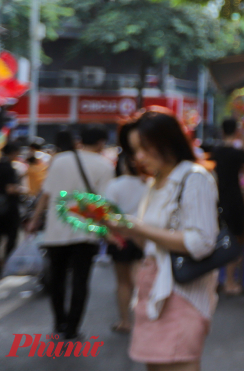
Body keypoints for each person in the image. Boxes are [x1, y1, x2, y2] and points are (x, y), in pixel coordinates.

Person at [107, 109, 219, 371]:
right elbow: (151, 245)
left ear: (168, 142)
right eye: (134, 151)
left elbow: (201, 243)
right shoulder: (155, 183)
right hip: (153, 292)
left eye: (145, 148)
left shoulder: (194, 178)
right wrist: (125, 230)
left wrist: (139, 229)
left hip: (181, 294)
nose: (139, 158)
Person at [27, 126, 114, 339]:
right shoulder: (104, 166)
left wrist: (35, 219)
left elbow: (46, 194)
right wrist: (108, 230)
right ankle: (73, 328)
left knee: (57, 280)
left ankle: (59, 324)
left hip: (56, 231)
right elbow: (103, 204)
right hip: (86, 232)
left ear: (80, 140)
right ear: (101, 143)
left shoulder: (60, 160)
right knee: (80, 281)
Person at [103, 122, 148, 334]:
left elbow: (105, 214)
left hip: (119, 237)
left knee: (122, 283)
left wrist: (109, 234)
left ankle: (125, 321)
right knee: (140, 279)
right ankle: (142, 319)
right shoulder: (148, 185)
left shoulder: (115, 185)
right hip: (143, 235)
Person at [206, 118, 244, 295]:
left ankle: (218, 280)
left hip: (218, 198)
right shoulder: (239, 153)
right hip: (235, 197)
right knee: (237, 238)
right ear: (236, 131)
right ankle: (232, 281)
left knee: (218, 238)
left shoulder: (215, 151)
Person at [0, 142, 25, 275]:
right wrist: (23, 190)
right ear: (13, 153)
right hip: (8, 209)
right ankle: (8, 264)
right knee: (11, 237)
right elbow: (10, 189)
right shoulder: (9, 169)